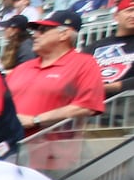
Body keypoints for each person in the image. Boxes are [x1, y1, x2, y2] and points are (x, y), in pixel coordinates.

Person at [8, 9, 105, 138]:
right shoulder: (22, 67)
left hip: (52, 148)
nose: (35, 35)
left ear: (64, 34)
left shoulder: (84, 63)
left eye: (42, 30)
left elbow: (86, 106)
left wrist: (35, 120)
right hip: (9, 145)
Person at [90, 0, 134, 97]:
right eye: (130, 10)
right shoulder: (95, 46)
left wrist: (107, 88)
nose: (133, 15)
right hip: (88, 106)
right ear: (116, 16)